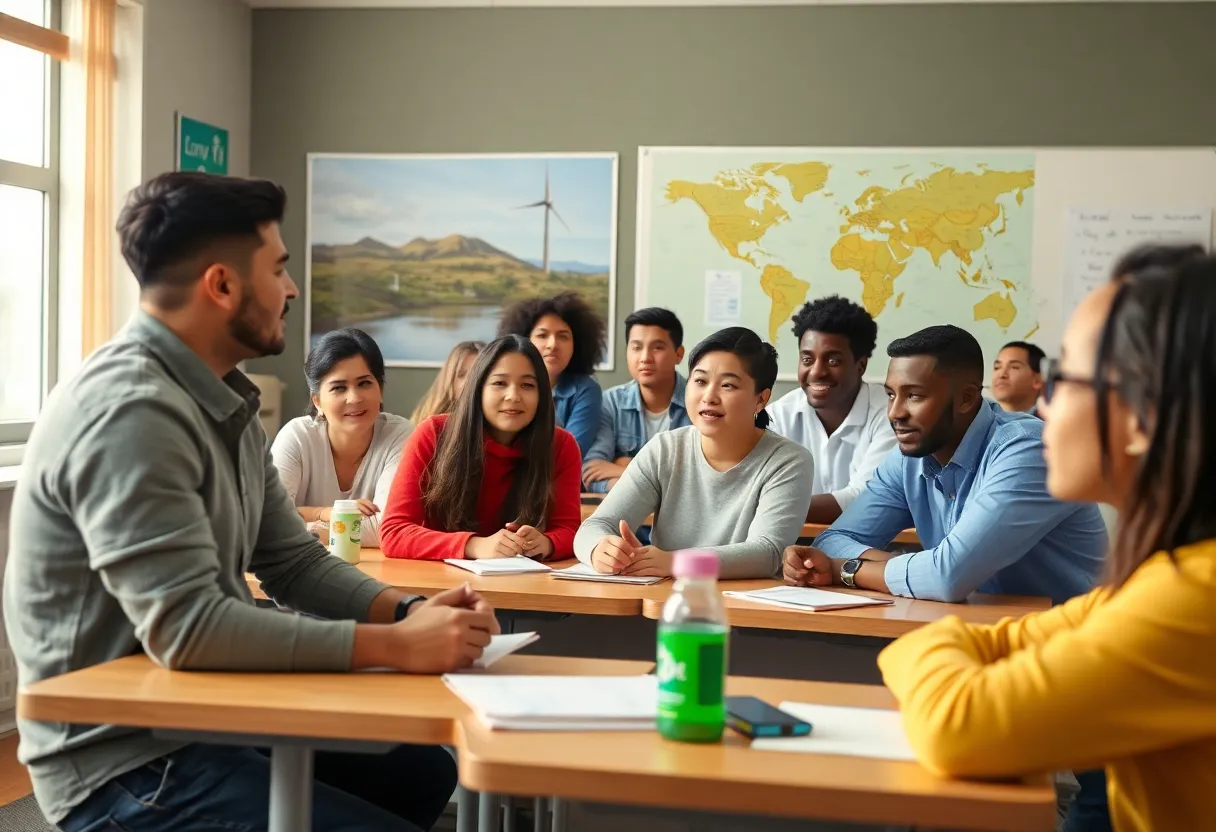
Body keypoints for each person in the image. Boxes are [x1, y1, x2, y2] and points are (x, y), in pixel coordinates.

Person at [2, 172, 500, 832]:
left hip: (202, 715)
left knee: (421, 771)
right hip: (124, 762)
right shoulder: (132, 411)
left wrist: (409, 609)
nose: (291, 289)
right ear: (222, 285)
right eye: (280, 269)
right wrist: (397, 645)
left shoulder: (221, 398)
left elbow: (292, 562)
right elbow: (190, 630)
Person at [878, 249, 1216, 832]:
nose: (1041, 408)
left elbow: (956, 725)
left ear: (1142, 415)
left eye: (1063, 380)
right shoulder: (1162, 579)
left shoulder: (1196, 597)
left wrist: (934, 645)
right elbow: (1008, 639)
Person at [785, 323, 1107, 605]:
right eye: (890, 395)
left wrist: (848, 568)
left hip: (1070, 642)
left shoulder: (1027, 449)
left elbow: (946, 578)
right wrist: (925, 568)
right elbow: (830, 542)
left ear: (966, 399)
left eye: (914, 396)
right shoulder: (908, 458)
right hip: (977, 628)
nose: (895, 413)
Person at [574, 327, 813, 580]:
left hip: (744, 607)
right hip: (666, 602)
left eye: (728, 385)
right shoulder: (665, 449)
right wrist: (600, 549)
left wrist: (676, 563)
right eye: (700, 381)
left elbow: (767, 553)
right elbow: (594, 526)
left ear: (761, 398)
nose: (709, 396)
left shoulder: (788, 461)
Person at [380, 334, 582, 561]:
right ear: (478, 389)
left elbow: (571, 531)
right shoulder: (433, 433)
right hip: (438, 581)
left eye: (527, 385)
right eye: (499, 383)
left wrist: (546, 542)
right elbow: (394, 532)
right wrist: (474, 546)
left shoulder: (561, 445)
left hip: (519, 584)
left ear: (542, 394)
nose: (513, 396)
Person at [271, 328, 414, 547]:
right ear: (317, 401)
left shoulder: (401, 435)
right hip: (297, 567)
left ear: (381, 389)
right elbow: (271, 520)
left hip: (375, 568)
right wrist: (324, 513)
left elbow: (386, 528)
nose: (354, 398)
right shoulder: (297, 436)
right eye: (339, 388)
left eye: (364, 383)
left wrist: (307, 523)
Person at [768, 296, 897, 523]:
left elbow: (865, 498)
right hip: (793, 546)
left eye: (833, 361)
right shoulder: (778, 416)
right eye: (807, 359)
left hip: (869, 546)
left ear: (861, 365)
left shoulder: (890, 414)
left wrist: (777, 507)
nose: (817, 372)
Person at [582, 307, 691, 493]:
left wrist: (623, 469)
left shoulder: (698, 402)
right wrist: (650, 485)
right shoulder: (611, 402)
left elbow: (696, 479)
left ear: (678, 354)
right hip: (625, 520)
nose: (645, 358)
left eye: (657, 347)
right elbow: (591, 472)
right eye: (637, 347)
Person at [498, 291, 605, 457]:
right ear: (524, 340)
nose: (552, 344)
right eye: (542, 335)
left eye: (563, 336)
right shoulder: (502, 385)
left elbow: (570, 453)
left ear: (576, 345)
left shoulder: (586, 390)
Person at [410, 339, 484, 423]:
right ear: (449, 379)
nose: (469, 382)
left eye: (477, 374)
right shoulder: (431, 426)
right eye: (461, 374)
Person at [990, 340, 1045, 416]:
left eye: (1014, 367)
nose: (1002, 375)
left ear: (1038, 380)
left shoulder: (1053, 422)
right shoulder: (981, 420)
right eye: (997, 367)